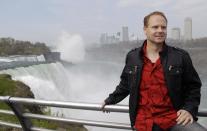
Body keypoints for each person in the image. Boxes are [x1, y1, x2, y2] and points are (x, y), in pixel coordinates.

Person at [101, 11, 207, 131]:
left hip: (173, 121)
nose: (160, 30)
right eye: (155, 27)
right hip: (143, 123)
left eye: (163, 27)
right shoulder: (133, 57)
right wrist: (109, 100)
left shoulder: (180, 56)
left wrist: (189, 109)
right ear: (145, 29)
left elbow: (193, 87)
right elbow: (125, 84)